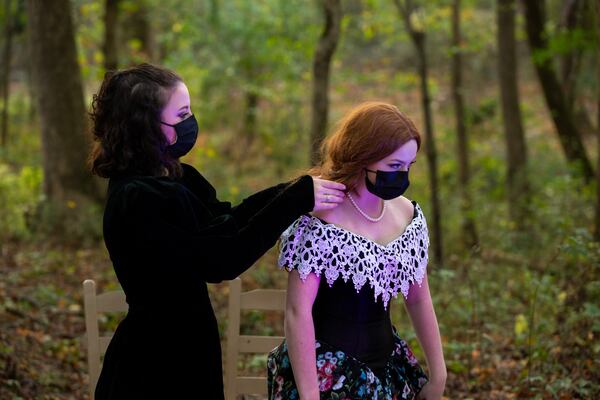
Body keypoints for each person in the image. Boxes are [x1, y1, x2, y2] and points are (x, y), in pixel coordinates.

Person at [87, 63, 346, 399]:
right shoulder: (137, 198)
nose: (190, 122)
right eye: (181, 114)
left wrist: (292, 191)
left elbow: (228, 220)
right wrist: (291, 202)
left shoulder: (174, 176)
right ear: (145, 125)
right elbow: (221, 259)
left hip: (190, 349)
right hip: (155, 363)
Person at [267, 102, 446, 400]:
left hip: (390, 370)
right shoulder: (320, 217)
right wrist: (310, 395)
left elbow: (418, 298)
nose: (402, 176)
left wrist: (438, 374)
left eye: (408, 166)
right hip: (324, 372)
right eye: (393, 166)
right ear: (365, 156)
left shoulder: (408, 216)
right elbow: (298, 312)